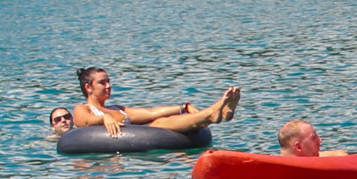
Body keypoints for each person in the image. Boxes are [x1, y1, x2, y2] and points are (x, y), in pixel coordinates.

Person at [62, 67, 238, 136]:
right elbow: (83, 121)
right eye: (102, 82)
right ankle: (213, 112)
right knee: (159, 124)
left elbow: (150, 112)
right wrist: (102, 119)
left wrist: (182, 107)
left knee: (159, 120)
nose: (108, 86)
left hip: (146, 132)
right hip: (119, 151)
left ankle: (214, 113)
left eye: (109, 81)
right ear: (88, 87)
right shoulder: (82, 109)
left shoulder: (117, 109)